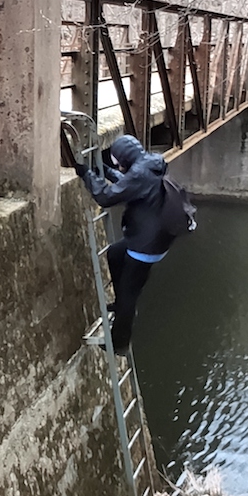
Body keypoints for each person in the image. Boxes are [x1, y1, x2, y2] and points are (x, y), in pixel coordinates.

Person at [74, 134, 177, 354]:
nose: (118, 165)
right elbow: (129, 185)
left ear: (124, 158)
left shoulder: (140, 173)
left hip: (145, 247)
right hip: (154, 239)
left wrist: (86, 174)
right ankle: (122, 304)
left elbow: (106, 196)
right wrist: (104, 170)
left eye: (117, 161)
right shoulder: (151, 165)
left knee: (130, 293)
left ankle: (119, 342)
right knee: (114, 253)